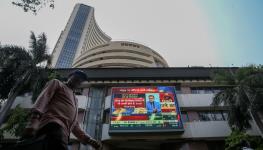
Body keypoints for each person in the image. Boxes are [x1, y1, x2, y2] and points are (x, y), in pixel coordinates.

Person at [22, 70, 101, 150]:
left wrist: (89, 140)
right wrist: (34, 120)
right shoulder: (57, 83)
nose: (79, 80)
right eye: (76, 77)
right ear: (70, 77)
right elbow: (43, 98)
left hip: (64, 134)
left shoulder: (75, 100)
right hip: (53, 125)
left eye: (81, 80)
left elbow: (74, 124)